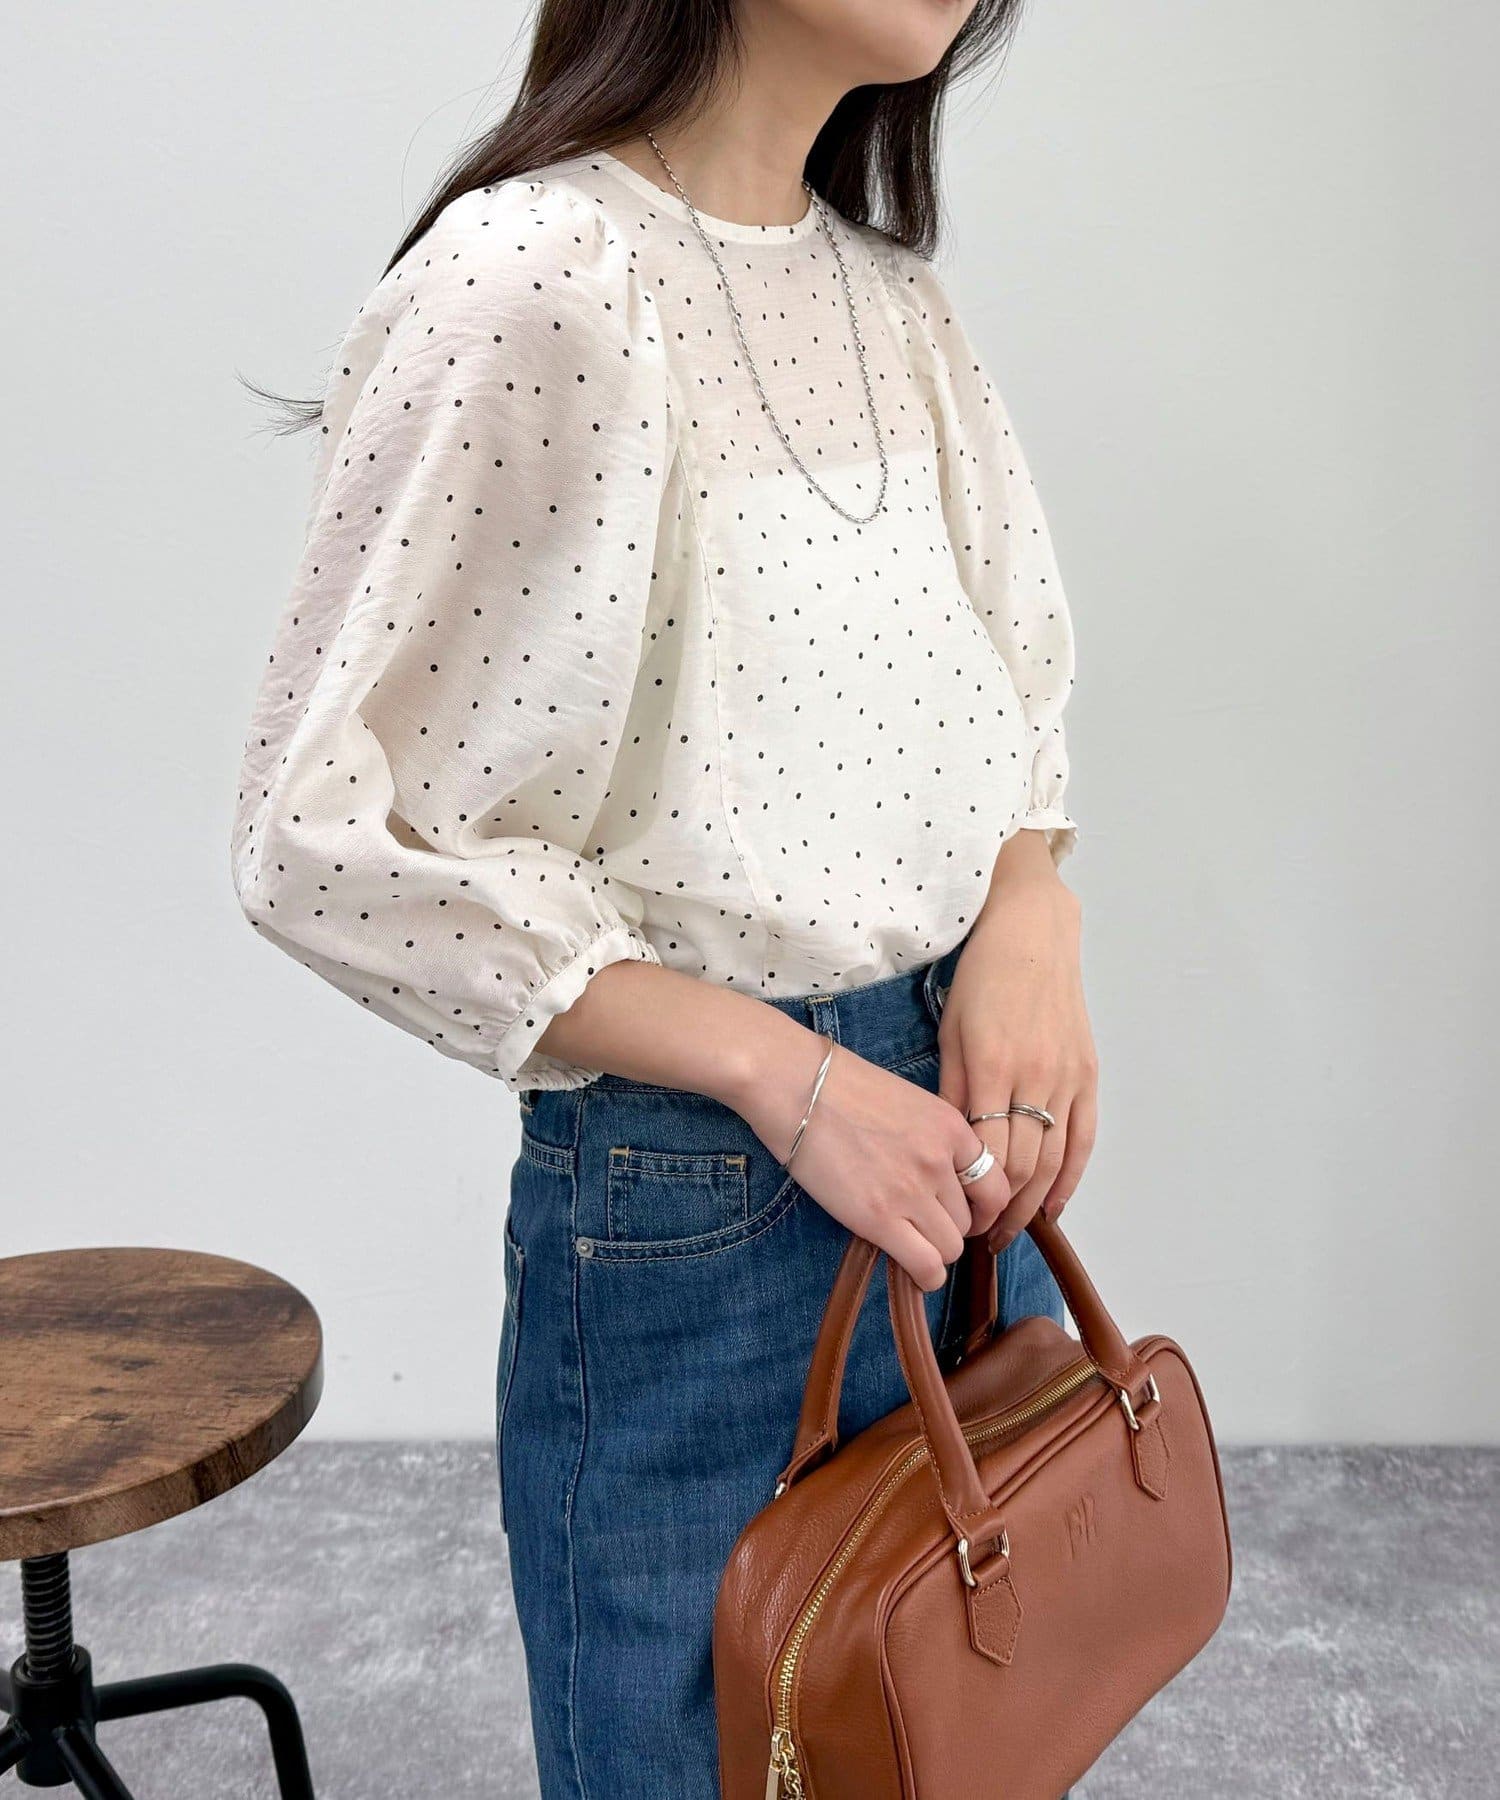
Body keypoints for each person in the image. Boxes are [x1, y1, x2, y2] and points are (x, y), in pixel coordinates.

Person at [231, 2, 1094, 1793]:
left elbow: (1014, 686)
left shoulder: (892, 304)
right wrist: (781, 1071)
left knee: (961, 1731)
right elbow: (323, 835)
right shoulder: (538, 277)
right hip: (708, 1197)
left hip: (955, 1153)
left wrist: (1034, 919)